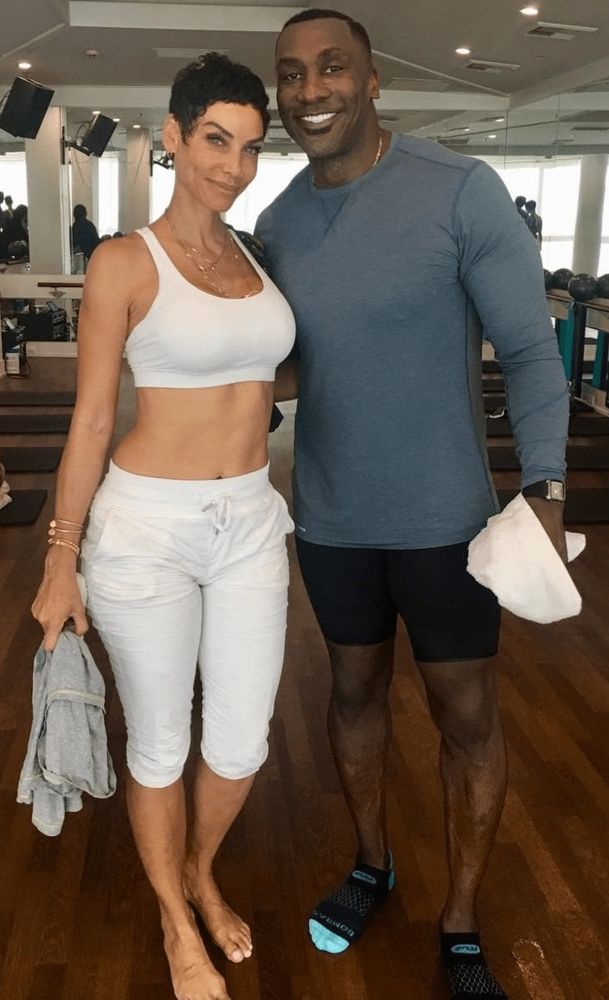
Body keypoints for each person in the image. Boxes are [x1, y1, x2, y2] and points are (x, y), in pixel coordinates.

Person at [256, 9, 569, 1000]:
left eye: (331, 68)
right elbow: (291, 366)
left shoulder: (458, 190)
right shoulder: (279, 224)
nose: (311, 90)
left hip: (447, 523)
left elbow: (531, 351)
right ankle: (372, 864)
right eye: (292, 74)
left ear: (372, 79)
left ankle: (462, 919)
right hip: (331, 520)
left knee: (465, 717)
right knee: (351, 695)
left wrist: (546, 488)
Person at [32, 53, 295, 1000]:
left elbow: (266, 374)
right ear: (175, 137)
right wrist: (60, 560)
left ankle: (199, 869)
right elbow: (92, 421)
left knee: (242, 742)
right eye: (215, 141)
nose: (232, 166)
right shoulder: (123, 262)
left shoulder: (253, 256)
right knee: (158, 745)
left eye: (251, 148)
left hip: (251, 520)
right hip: (146, 528)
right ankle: (176, 918)